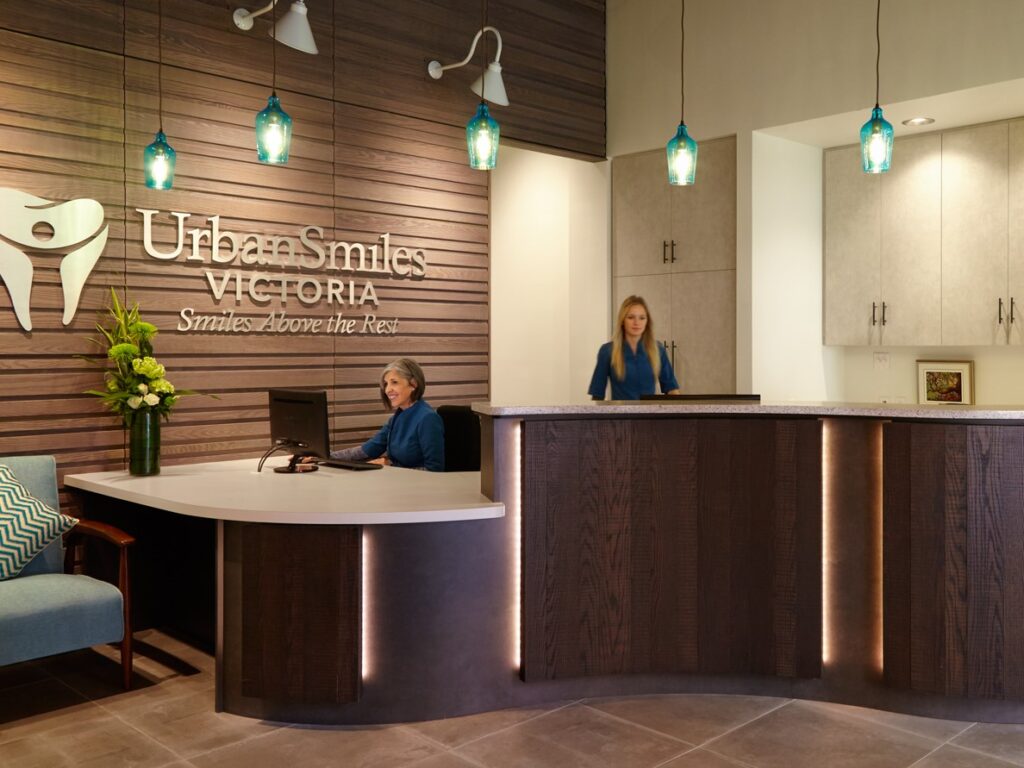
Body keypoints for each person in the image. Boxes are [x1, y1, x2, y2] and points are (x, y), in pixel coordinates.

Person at [330, 358, 445, 471]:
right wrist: (326, 456)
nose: (387, 390)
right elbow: (368, 449)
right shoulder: (397, 417)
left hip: (419, 488)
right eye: (386, 384)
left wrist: (392, 468)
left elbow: (434, 470)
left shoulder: (428, 419)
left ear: (413, 384)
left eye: (394, 382)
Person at [587, 295, 681, 400]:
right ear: (623, 320)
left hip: (649, 414)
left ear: (647, 321)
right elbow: (597, 394)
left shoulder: (658, 350)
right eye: (631, 317)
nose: (636, 323)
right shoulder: (608, 351)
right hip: (620, 414)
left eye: (642, 318)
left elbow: (672, 389)